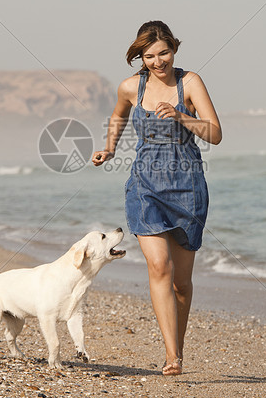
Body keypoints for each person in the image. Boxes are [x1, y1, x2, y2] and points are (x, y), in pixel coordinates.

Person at [92, 21, 222, 376]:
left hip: (188, 186)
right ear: (141, 56)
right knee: (159, 266)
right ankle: (172, 357)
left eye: (163, 52)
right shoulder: (131, 87)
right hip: (145, 185)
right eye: (149, 56)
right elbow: (118, 115)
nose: (157, 61)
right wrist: (109, 148)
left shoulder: (190, 82)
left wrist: (182, 116)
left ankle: (176, 346)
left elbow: (215, 133)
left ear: (174, 49)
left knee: (181, 283)